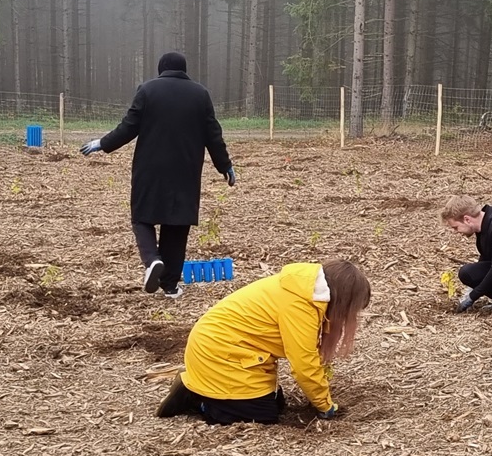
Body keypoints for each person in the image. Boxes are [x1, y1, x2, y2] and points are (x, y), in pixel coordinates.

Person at [81, 52, 234, 298]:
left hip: (150, 168)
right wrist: (224, 165)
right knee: (177, 224)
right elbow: (213, 134)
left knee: (142, 217)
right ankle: (170, 285)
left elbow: (129, 127)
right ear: (184, 70)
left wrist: (103, 143)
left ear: (161, 68)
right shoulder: (200, 94)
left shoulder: (148, 90)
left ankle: (152, 260)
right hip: (186, 170)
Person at [157, 260, 370, 424]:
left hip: (236, 352)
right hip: (219, 352)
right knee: (261, 418)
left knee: (276, 405)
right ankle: (197, 399)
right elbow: (304, 364)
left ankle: (203, 389)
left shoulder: (304, 290)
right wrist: (325, 406)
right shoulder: (300, 306)